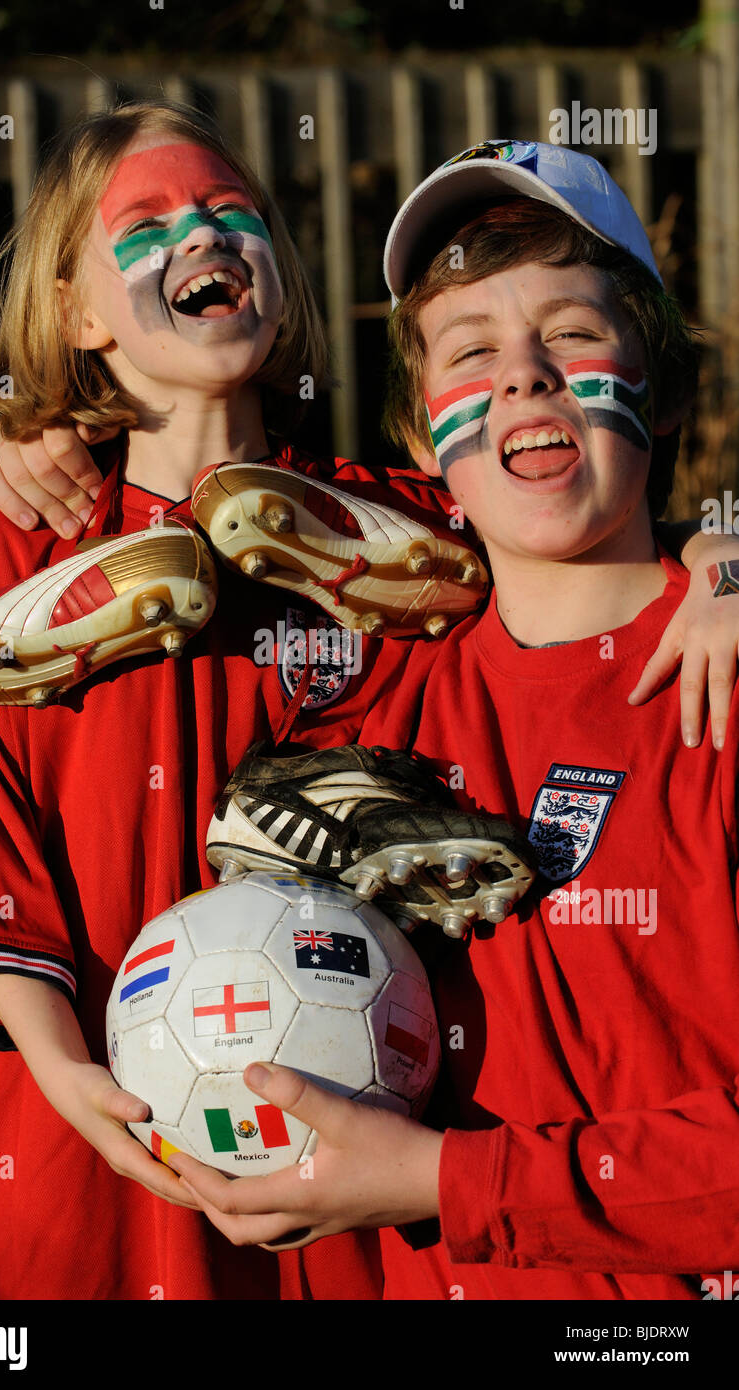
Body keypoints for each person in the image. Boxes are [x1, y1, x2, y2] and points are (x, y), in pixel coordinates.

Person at [0, 98, 511, 1301]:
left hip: (351, 1084)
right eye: (150, 222)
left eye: (235, 215)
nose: (206, 238)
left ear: (279, 278)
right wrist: (65, 1074)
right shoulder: (23, 533)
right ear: (74, 313)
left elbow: (588, 561)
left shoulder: (415, 528)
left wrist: (711, 570)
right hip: (88, 1099)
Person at [144, 141, 739, 1303]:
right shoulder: (375, 692)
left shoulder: (723, 673)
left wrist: (441, 1178)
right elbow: (148, 516)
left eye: (571, 333)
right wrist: (33, 440)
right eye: (472, 351)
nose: (523, 377)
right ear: (423, 448)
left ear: (659, 388)